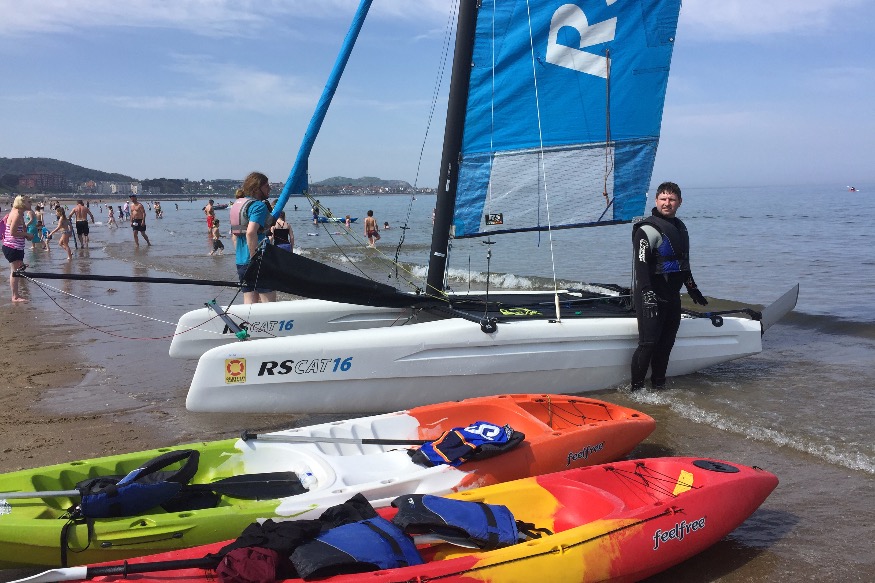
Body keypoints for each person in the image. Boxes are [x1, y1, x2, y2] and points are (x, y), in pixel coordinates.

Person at [630, 182, 708, 390]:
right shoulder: (647, 229)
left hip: (672, 296)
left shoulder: (681, 228)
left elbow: (683, 264)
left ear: (679, 202)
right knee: (648, 344)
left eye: (672, 199)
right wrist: (647, 293)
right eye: (663, 199)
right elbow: (641, 266)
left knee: (666, 344)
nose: (667, 203)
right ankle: (636, 391)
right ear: (656, 201)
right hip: (650, 296)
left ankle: (658, 386)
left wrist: (692, 287)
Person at [231, 172, 275, 303]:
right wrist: (254, 259)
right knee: (269, 303)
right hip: (258, 261)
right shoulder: (258, 206)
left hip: (241, 261)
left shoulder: (238, 204)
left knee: (249, 302)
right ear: (256, 188)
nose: (270, 188)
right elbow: (250, 232)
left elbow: (234, 236)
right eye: (266, 186)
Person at [2, 195, 35, 302]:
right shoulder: (16, 214)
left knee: (18, 270)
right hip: (12, 247)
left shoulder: (19, 214)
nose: (31, 203)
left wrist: (26, 235)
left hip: (16, 246)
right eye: (28, 202)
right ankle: (15, 296)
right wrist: (26, 234)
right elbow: (12, 232)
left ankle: (16, 294)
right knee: (14, 272)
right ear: (22, 203)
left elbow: (17, 231)